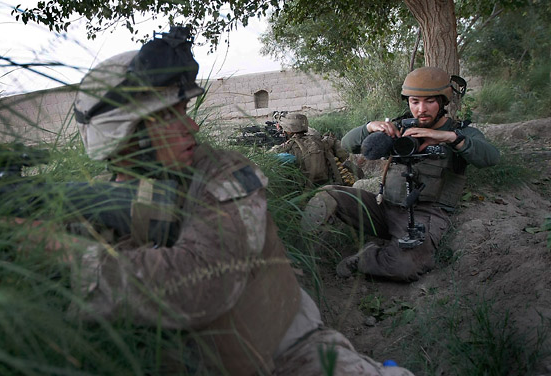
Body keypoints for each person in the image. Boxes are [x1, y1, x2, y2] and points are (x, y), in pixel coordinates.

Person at [42, 27, 414, 375]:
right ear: (123, 138)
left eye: (184, 111)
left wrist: (61, 252)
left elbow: (202, 283)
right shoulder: (104, 198)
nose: (192, 127)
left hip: (289, 350)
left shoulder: (224, 172)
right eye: (170, 117)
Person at [302, 66, 500, 282]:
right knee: (327, 195)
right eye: (415, 102)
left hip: (424, 215)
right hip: (383, 207)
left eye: (429, 101)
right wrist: (369, 127)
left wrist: (450, 138)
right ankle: (299, 254)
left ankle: (368, 257)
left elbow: (491, 158)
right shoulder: (399, 127)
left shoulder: (459, 132)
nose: (421, 109)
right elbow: (349, 144)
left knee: (405, 266)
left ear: (443, 102)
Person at [270, 113, 358, 187]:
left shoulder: (285, 148)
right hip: (331, 185)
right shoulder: (323, 141)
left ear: (288, 131)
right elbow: (344, 155)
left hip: (303, 191)